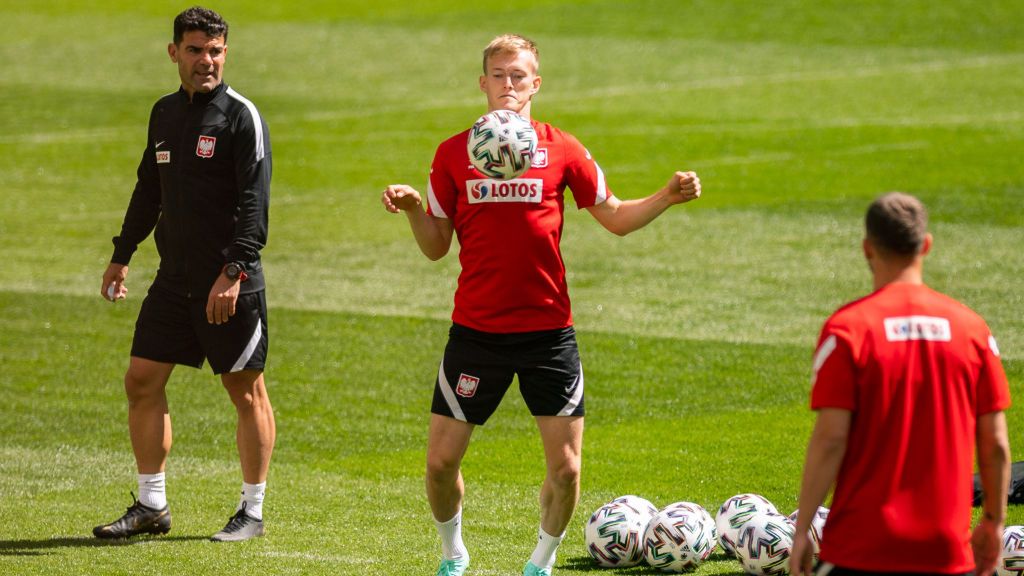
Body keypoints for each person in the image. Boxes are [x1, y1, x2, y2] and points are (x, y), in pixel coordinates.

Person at [381, 34, 702, 576]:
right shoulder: (453, 153)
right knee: (439, 463)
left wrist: (666, 197)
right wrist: (415, 208)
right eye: (498, 74)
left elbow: (616, 217)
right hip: (477, 334)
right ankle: (453, 554)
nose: (508, 84)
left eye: (518, 75)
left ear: (535, 84)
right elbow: (436, 247)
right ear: (483, 83)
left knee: (567, 469)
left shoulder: (563, 148)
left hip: (549, 335)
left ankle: (540, 563)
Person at [94, 6, 274, 543]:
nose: (206, 61)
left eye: (215, 51)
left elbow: (255, 202)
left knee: (245, 391)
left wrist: (235, 270)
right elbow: (149, 188)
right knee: (141, 380)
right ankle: (152, 505)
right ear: (174, 52)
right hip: (174, 280)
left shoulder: (241, 117)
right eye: (195, 50)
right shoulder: (164, 114)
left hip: (228, 282)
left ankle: (252, 512)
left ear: (226, 53)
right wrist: (122, 253)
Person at [790, 193, 1011, 576]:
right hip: (945, 553)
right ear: (926, 245)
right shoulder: (972, 330)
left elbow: (831, 439)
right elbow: (996, 444)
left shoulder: (847, 330)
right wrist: (993, 521)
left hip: (860, 549)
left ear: (867, 249)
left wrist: (801, 529)